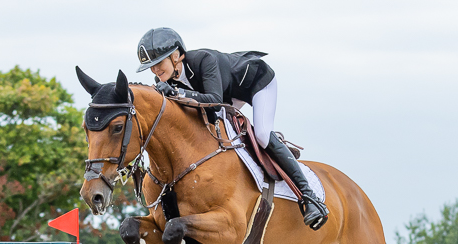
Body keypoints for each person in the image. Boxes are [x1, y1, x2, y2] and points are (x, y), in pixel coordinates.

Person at [135, 27, 329, 230]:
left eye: (158, 63)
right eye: (151, 67)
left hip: (256, 83)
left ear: (176, 56)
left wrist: (175, 92)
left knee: (262, 134)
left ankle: (309, 196)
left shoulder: (203, 60)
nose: (155, 70)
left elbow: (214, 102)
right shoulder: (166, 80)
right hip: (228, 94)